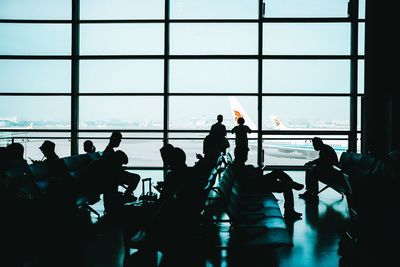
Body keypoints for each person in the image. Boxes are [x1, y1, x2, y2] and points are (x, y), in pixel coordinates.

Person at [232, 146, 304, 220]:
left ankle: (291, 185)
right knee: (284, 183)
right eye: (245, 154)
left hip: (257, 184)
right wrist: (255, 172)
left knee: (278, 174)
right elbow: (248, 181)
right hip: (258, 186)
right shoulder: (239, 166)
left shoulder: (238, 164)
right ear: (240, 154)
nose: (246, 156)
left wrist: (251, 170)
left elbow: (246, 178)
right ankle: (290, 207)